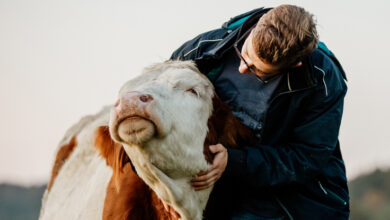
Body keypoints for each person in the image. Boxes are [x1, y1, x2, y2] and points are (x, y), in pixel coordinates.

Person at [170, 5, 349, 220]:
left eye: (257, 71)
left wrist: (233, 162)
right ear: (255, 28)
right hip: (213, 185)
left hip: (288, 200)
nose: (242, 68)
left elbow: (305, 158)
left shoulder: (324, 81)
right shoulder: (208, 47)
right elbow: (161, 90)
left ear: (295, 65)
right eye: (243, 54)